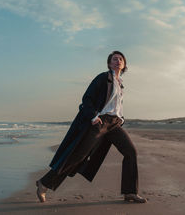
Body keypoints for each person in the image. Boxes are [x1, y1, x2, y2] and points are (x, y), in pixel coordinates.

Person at [35, 51, 146, 203]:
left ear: (124, 64)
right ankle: (44, 183)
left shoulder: (120, 84)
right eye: (114, 59)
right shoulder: (103, 78)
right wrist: (94, 116)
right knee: (78, 155)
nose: (118, 61)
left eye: (121, 59)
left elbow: (116, 106)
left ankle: (130, 192)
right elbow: (86, 99)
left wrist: (121, 119)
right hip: (100, 122)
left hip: (114, 124)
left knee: (130, 151)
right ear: (109, 63)